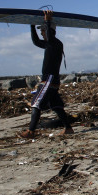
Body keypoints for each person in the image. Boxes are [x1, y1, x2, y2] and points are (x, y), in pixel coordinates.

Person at [18, 10, 74, 138]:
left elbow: (50, 35)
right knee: (57, 106)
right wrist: (31, 25)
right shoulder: (50, 44)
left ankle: (31, 131)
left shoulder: (55, 43)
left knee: (36, 103)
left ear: (48, 31)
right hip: (52, 81)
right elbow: (36, 41)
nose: (41, 33)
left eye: (42, 31)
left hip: (48, 79)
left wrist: (47, 21)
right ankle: (68, 128)